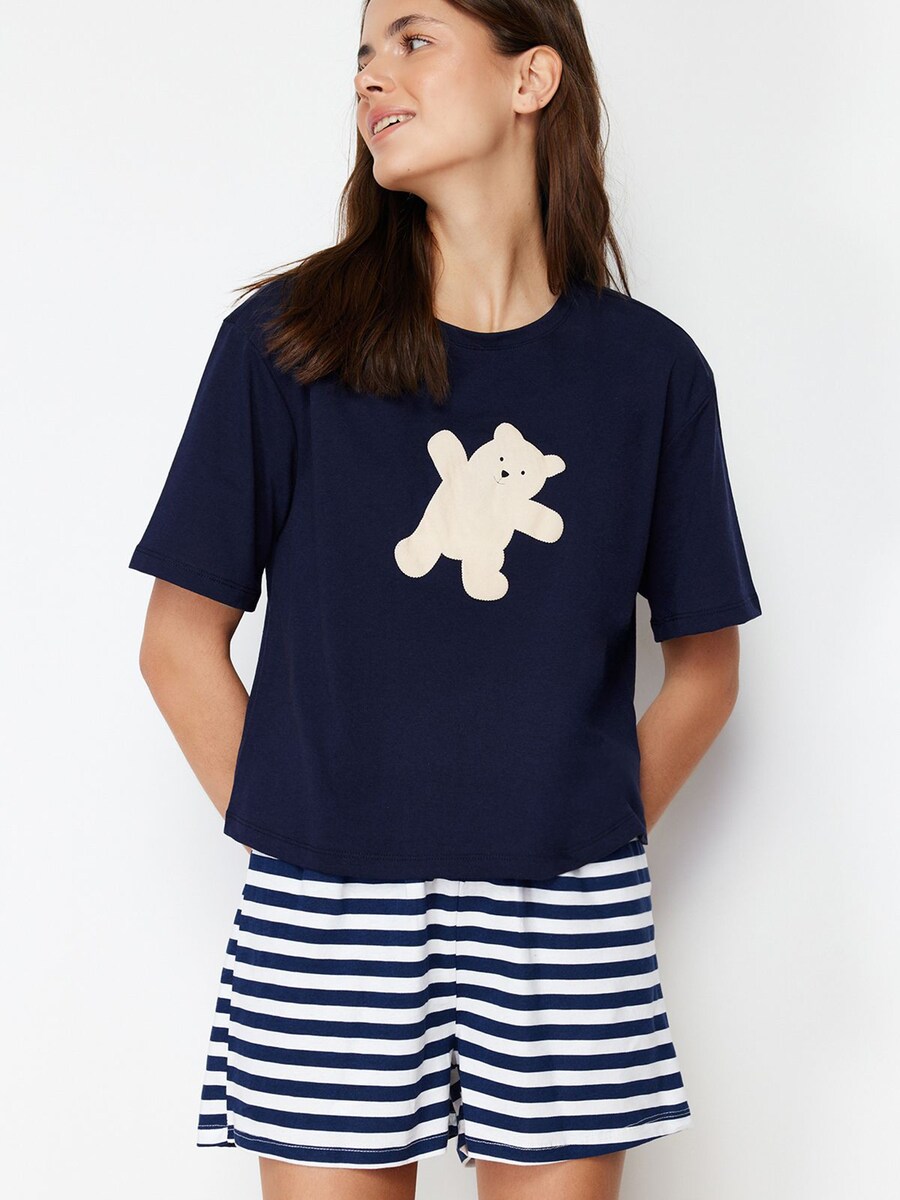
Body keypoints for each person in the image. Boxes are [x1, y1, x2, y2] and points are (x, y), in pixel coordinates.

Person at [128, 1, 762, 1197]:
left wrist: (580, 832)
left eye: (413, 40)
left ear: (533, 78)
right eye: (364, 55)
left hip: (566, 912)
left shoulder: (650, 372)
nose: (373, 77)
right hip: (328, 907)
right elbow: (177, 644)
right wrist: (306, 833)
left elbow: (707, 669)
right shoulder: (283, 346)